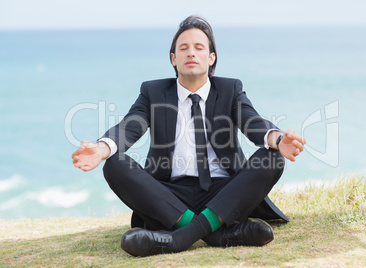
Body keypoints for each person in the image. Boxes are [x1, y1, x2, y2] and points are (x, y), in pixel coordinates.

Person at [72, 15, 305, 257]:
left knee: (272, 158)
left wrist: (278, 139)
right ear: (173, 58)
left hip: (223, 193)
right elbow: (130, 127)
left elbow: (252, 122)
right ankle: (216, 234)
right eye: (183, 48)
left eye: (199, 47)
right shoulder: (153, 92)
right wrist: (101, 148)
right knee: (114, 164)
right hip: (170, 196)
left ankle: (178, 239)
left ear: (211, 57)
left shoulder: (230, 90)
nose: (190, 53)